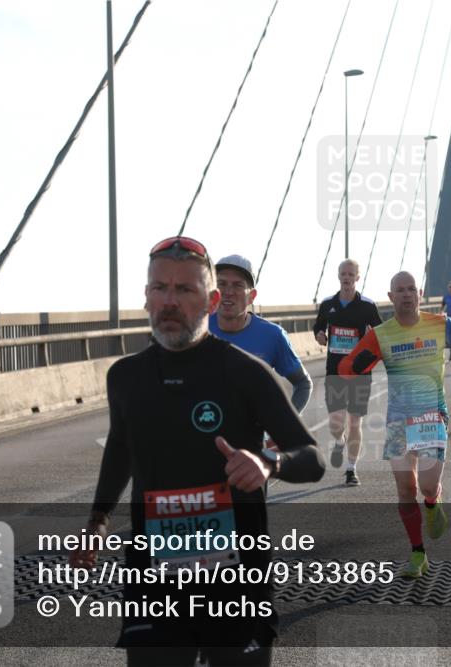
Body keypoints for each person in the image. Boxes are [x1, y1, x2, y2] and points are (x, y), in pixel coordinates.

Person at [70, 236, 325, 666]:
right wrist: (97, 520)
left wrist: (269, 463)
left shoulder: (246, 373)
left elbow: (312, 459)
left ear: (209, 300)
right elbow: (120, 449)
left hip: (237, 578)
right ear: (147, 298)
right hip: (154, 578)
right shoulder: (126, 377)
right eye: (160, 288)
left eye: (184, 289)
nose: (170, 301)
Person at [339, 271, 451, 579]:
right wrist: (358, 366)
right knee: (405, 489)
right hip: (398, 420)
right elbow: (347, 367)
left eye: (411, 288)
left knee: (425, 486)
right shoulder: (380, 334)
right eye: (399, 290)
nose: (406, 294)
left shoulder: (440, 324)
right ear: (390, 297)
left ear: (420, 293)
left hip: (430, 416)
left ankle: (433, 499)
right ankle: (417, 553)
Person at [208, 255, 312, 413]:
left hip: (253, 437)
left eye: (238, 286)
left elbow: (303, 384)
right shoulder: (195, 330)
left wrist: (285, 425)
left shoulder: (272, 335)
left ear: (252, 296)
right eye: (221, 284)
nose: (228, 292)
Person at [313, 259, 383, 486]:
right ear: (338, 276)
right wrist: (320, 336)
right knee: (336, 423)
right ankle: (339, 441)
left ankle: (351, 469)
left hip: (359, 374)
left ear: (357, 277)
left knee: (355, 422)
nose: (346, 277)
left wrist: (370, 352)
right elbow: (318, 326)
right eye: (343, 273)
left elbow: (379, 334)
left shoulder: (367, 306)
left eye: (351, 274)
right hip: (334, 371)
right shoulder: (327, 304)